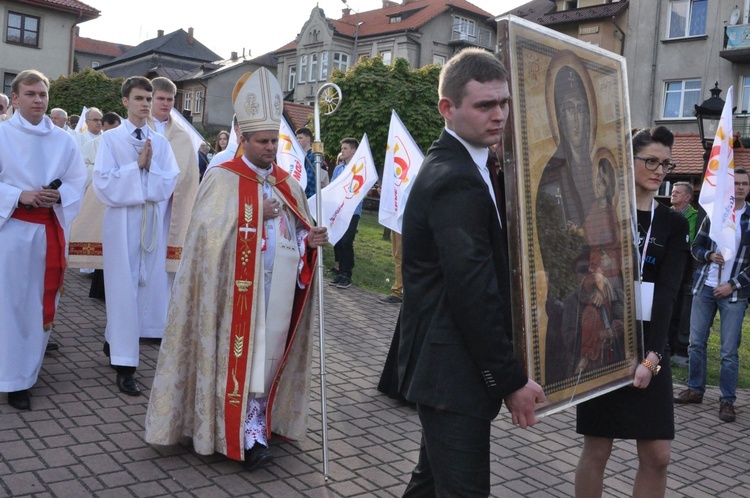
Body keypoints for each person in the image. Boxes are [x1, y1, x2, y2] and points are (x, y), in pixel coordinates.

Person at [144, 68, 328, 471]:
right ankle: (232, 430)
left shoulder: (288, 184)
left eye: (273, 142)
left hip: (275, 290)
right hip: (231, 295)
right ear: (242, 140)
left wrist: (308, 242)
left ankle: (257, 425)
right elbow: (204, 241)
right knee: (241, 359)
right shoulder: (223, 177)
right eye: (261, 142)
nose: (269, 149)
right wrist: (253, 214)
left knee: (268, 358)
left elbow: (296, 231)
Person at [396, 48, 545, 497]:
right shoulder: (455, 177)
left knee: (429, 485)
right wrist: (511, 380)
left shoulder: (477, 165)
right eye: (485, 105)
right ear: (448, 107)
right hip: (452, 372)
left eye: (504, 103)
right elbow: (472, 292)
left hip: (450, 369)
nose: (499, 116)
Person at [575, 126, 689, 497]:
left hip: (650, 344)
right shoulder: (601, 215)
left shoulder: (673, 223)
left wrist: (654, 356)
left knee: (658, 455)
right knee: (598, 448)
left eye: (665, 164)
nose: (659, 170)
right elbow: (576, 273)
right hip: (605, 340)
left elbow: (669, 293)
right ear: (630, 161)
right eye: (651, 161)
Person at [0, 69, 86, 410]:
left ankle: (26, 375)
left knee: (38, 305)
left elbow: (78, 179)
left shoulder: (64, 140)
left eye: (43, 94)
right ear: (16, 98)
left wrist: (59, 194)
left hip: (49, 230)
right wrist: (20, 194)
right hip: (12, 232)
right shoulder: (2, 135)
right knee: (12, 305)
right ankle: (11, 375)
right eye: (31, 94)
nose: (38, 100)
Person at [92, 76, 179, 396]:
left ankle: (116, 340)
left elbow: (169, 182)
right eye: (139, 98)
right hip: (122, 221)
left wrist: (149, 168)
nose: (145, 104)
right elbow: (103, 183)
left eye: (149, 98)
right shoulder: (111, 140)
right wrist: (136, 168)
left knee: (143, 285)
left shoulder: (163, 142)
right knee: (121, 287)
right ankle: (126, 366)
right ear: (125, 101)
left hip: (149, 221)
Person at [674, 169, 750, 423]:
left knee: (729, 351)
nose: (739, 187)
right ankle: (695, 389)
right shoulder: (716, 215)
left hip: (733, 293)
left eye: (744, 184)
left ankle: (727, 400)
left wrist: (732, 284)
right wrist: (709, 256)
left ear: (748, 187)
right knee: (696, 343)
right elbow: (696, 248)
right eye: (735, 183)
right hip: (705, 288)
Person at [147, 76, 200, 318]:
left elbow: (190, 174)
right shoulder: (138, 128)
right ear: (151, 98)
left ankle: (159, 321)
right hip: (141, 206)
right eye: (160, 98)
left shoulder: (182, 135)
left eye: (170, 100)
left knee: (162, 267)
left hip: (170, 210)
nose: (166, 104)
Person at [667, 182, 703, 358]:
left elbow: (688, 242)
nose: (672, 194)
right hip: (664, 267)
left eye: (677, 192)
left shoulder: (695, 217)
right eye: (672, 191)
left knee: (680, 307)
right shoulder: (665, 213)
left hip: (684, 270)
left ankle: (678, 349)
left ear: (688, 197)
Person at [328, 138, 360, 290]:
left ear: (354, 150)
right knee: (338, 241)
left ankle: (347, 274)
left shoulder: (359, 168)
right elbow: (333, 186)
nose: (343, 151)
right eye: (342, 148)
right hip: (338, 210)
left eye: (346, 148)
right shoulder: (338, 169)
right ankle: (340, 272)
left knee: (347, 241)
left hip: (352, 211)